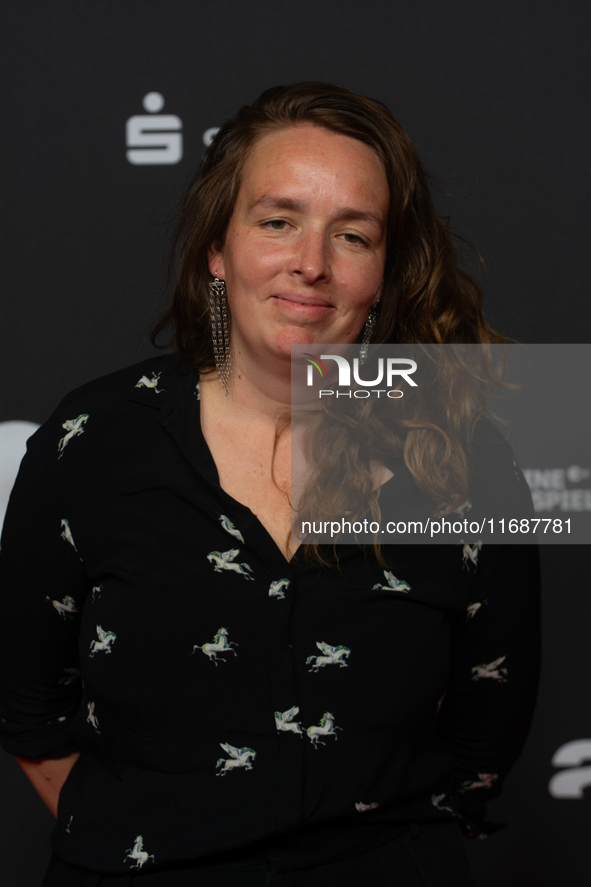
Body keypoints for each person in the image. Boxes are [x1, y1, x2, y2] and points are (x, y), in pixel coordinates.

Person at [0, 82, 540, 886]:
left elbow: (484, 732)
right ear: (218, 249)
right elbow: (27, 702)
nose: (310, 265)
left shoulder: (464, 456)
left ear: (385, 271)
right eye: (277, 220)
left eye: (352, 235)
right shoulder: (92, 440)